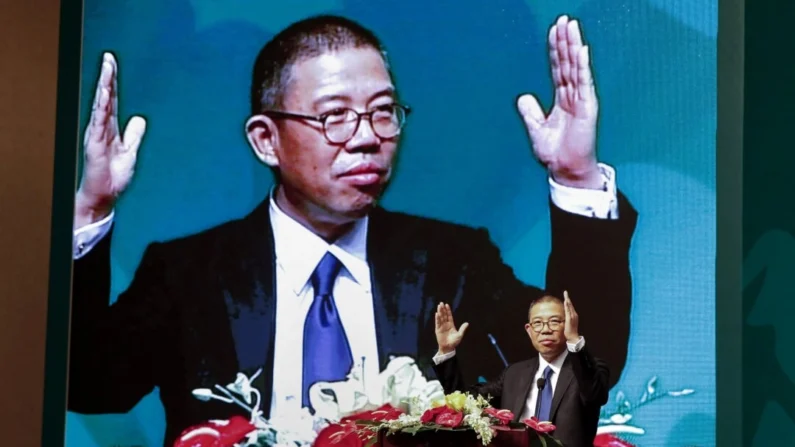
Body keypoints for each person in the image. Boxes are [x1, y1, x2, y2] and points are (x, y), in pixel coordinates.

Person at [67, 13, 637, 446]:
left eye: (384, 112)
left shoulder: (452, 262)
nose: (366, 137)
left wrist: (575, 176)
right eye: (334, 116)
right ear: (266, 139)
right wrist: (90, 209)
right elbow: (88, 384)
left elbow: (572, 372)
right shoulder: (188, 275)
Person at [432, 292, 608, 447]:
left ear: (569, 324)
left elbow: (594, 394)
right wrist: (446, 352)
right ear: (529, 330)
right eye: (537, 323)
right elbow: (465, 400)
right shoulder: (514, 374)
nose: (545, 330)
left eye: (555, 322)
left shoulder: (589, 370)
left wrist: (574, 339)